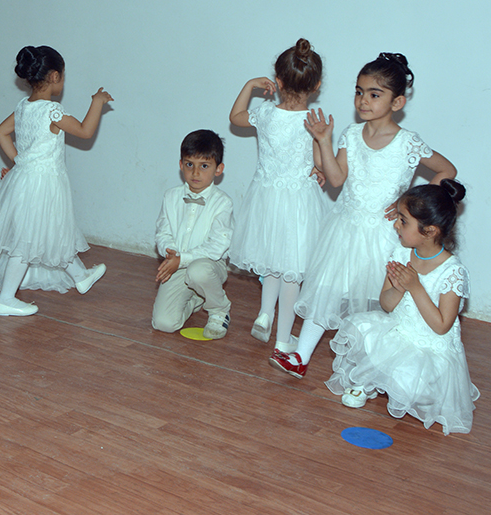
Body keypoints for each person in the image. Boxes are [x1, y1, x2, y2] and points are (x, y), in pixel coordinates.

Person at [271, 53, 457, 378]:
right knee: (327, 287)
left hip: (384, 235)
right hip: (344, 228)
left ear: (397, 102)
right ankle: (301, 356)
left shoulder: (407, 143)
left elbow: (447, 170)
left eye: (374, 94)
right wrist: (323, 141)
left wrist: (408, 201)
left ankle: (371, 368)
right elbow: (336, 178)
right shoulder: (351, 135)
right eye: (359, 92)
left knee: (377, 299)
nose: (363, 100)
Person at [0, 46, 111, 316]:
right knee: (27, 239)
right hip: (43, 183)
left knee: (51, 229)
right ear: (55, 76)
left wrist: (19, 162)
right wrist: (97, 102)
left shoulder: (23, 107)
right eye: (64, 76)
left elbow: (0, 132)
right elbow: (85, 131)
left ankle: (80, 276)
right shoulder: (52, 111)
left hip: (26, 178)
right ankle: (6, 299)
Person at [325, 181, 479, 435]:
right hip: (399, 330)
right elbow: (386, 304)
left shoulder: (453, 272)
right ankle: (369, 380)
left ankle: (380, 379)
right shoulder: (401, 252)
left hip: (430, 346)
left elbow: (442, 326)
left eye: (403, 221)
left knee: (407, 380)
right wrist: (398, 288)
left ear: (429, 231)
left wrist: (415, 287)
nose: (396, 225)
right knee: (361, 329)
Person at [228, 38, 325, 353]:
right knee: (291, 270)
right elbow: (319, 161)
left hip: (266, 198)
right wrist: (319, 167)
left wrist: (249, 86)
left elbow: (236, 117)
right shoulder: (313, 122)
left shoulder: (266, 113)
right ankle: (283, 340)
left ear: (278, 81)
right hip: (299, 203)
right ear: (317, 86)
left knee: (272, 261)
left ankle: (265, 314)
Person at [151, 130, 234, 338]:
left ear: (219, 169)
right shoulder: (171, 196)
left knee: (198, 271)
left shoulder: (223, 203)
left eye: (204, 166)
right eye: (190, 164)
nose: (195, 173)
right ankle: (197, 298)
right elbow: (162, 232)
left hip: (209, 265)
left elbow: (217, 247)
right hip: (177, 265)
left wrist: (182, 259)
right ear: (181, 165)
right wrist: (171, 253)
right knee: (163, 323)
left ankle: (219, 310)